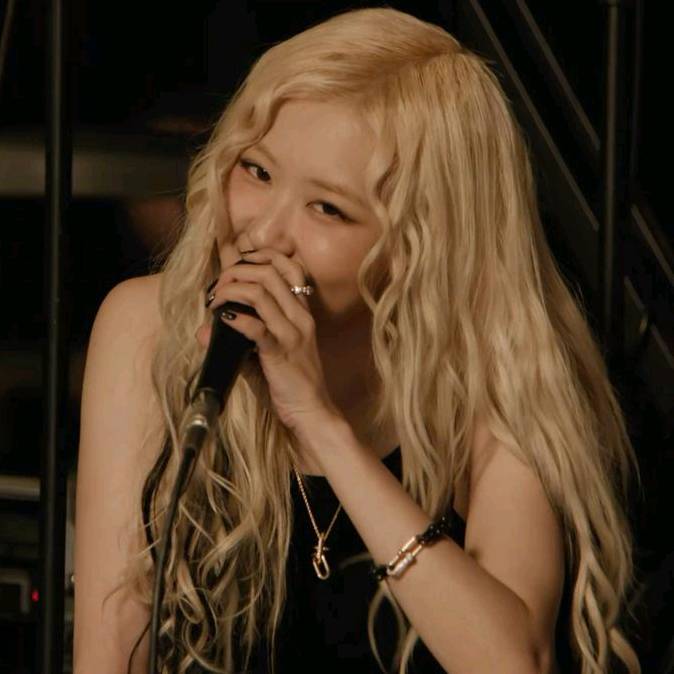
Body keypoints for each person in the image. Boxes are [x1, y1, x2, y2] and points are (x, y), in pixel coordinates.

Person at [72, 7, 643, 674]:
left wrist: (320, 425)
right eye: (256, 171)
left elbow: (515, 664)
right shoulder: (146, 327)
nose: (264, 233)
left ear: (421, 248)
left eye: (327, 208)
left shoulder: (499, 375)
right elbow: (108, 652)